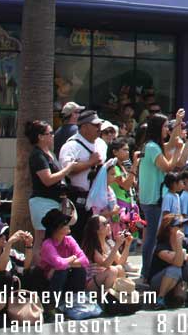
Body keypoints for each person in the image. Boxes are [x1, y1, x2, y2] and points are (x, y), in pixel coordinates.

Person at [138, 111, 188, 281]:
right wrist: (177, 150)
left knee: (154, 236)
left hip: (153, 199)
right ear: (157, 128)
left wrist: (177, 122)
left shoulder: (154, 145)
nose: (166, 130)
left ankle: (148, 271)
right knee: (152, 237)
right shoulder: (152, 147)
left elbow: (170, 143)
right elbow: (167, 167)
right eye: (164, 127)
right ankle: (146, 273)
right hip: (153, 200)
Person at [24, 120, 76, 266]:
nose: (53, 136)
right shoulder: (37, 155)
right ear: (40, 136)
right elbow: (47, 179)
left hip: (55, 200)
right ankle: (37, 271)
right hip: (42, 201)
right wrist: (68, 169)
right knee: (41, 238)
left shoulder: (49, 153)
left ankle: (50, 267)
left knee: (54, 237)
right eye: (50, 133)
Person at [58, 108, 107, 238]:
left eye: (100, 125)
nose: (99, 128)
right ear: (84, 127)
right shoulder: (71, 146)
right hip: (78, 198)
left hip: (98, 200)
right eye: (95, 125)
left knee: (96, 238)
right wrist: (90, 163)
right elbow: (67, 170)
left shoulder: (101, 144)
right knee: (78, 235)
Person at [147, 213, 188, 308]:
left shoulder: (186, 241)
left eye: (183, 225)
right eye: (179, 225)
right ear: (170, 228)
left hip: (177, 279)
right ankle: (160, 298)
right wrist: (179, 244)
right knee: (175, 269)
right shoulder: (162, 245)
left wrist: (183, 255)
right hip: (158, 281)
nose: (182, 228)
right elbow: (178, 263)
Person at [38, 208, 88, 296]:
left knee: (80, 270)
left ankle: (75, 298)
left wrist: (59, 266)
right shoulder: (48, 244)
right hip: (48, 283)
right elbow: (59, 263)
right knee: (61, 271)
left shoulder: (69, 239)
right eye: (64, 223)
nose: (68, 225)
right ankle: (52, 303)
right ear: (56, 228)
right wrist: (73, 258)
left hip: (64, 276)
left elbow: (85, 261)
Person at [80, 214, 131, 292]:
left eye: (108, 222)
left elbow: (121, 262)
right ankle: (105, 300)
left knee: (119, 268)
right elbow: (105, 264)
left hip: (103, 278)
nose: (108, 225)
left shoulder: (109, 242)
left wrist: (127, 245)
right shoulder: (91, 246)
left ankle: (123, 294)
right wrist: (117, 245)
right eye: (105, 223)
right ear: (96, 229)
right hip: (90, 283)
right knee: (112, 270)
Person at [106, 139, 137, 239]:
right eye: (124, 150)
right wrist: (135, 165)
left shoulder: (125, 165)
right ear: (115, 152)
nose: (128, 152)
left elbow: (134, 184)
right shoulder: (114, 168)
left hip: (130, 204)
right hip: (120, 206)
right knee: (121, 239)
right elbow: (125, 185)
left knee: (129, 240)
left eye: (128, 150)